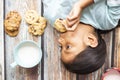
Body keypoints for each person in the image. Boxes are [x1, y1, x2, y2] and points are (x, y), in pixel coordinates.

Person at [42, 0, 120, 74]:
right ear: (91, 40)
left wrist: (51, 16)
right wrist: (81, 5)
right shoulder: (108, 20)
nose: (60, 40)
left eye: (61, 47)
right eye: (68, 46)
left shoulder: (56, 17)